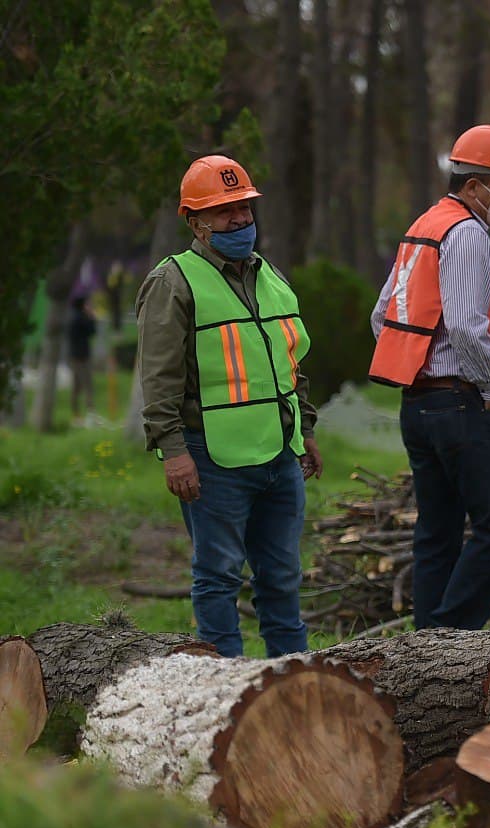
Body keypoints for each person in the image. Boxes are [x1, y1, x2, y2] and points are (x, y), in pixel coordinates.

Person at [136, 155, 322, 657]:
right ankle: (221, 693)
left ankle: (293, 681)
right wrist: (173, 452)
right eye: (224, 211)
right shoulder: (172, 282)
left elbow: (288, 363)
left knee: (282, 579)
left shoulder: (270, 275)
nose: (240, 219)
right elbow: (158, 380)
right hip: (212, 459)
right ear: (195, 223)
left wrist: (304, 430)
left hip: (279, 457)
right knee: (218, 577)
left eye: (244, 207)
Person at [369, 124, 490, 630]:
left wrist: (417, 365)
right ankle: (453, 638)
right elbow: (465, 326)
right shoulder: (466, 233)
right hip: (462, 404)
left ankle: (426, 646)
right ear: (478, 183)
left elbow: (381, 317)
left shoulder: (424, 226)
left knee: (436, 532)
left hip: (417, 405)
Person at [67, 295, 97, 420]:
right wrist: (91, 316)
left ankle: (76, 415)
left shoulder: (71, 317)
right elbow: (92, 331)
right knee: (87, 386)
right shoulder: (81, 318)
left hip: (74, 357)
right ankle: (90, 414)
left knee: (76, 387)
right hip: (82, 357)